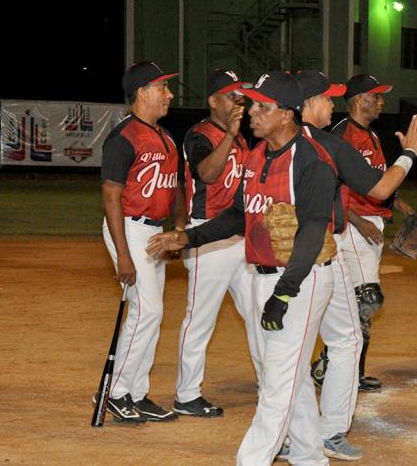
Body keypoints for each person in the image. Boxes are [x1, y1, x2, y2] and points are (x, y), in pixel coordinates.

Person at [148, 71, 339, 464]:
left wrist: (285, 291)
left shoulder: (311, 162)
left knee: (276, 384)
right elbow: (239, 214)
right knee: (292, 377)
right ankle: (309, 457)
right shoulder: (257, 154)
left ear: (287, 114)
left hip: (300, 281)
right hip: (264, 276)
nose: (251, 111)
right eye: (251, 103)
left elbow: (314, 231)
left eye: (261, 106)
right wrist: (189, 238)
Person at [292, 70, 417, 461]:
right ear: (306, 105)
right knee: (355, 311)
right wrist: (411, 152)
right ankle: (311, 423)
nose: (330, 104)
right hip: (326, 244)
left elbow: (377, 185)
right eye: (324, 99)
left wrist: (398, 206)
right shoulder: (334, 140)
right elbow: (372, 187)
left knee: (336, 333)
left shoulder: (285, 144)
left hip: (316, 250)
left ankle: (316, 426)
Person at [99, 61, 184, 424]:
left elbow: (176, 189)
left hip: (154, 232)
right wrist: (123, 254)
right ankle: (116, 392)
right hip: (130, 228)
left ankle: (136, 391)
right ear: (142, 92)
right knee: (146, 311)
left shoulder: (164, 136)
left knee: (153, 313)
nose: (170, 94)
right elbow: (110, 196)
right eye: (162, 87)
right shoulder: (124, 137)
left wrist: (177, 228)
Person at [173, 69, 256, 418]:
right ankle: (187, 394)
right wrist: (231, 135)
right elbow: (206, 173)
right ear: (213, 101)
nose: (239, 101)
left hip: (239, 235)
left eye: (241, 95)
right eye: (232, 95)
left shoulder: (241, 140)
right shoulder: (199, 134)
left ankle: (273, 383)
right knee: (200, 318)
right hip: (207, 237)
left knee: (257, 311)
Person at [330, 74, 417, 393]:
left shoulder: (372, 136)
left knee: (360, 302)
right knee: (365, 299)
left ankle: (341, 369)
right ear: (357, 100)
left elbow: (377, 184)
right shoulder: (342, 135)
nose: (381, 102)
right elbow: (332, 186)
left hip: (370, 226)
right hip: (353, 228)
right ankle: (336, 368)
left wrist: (403, 207)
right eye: (375, 96)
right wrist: (358, 221)